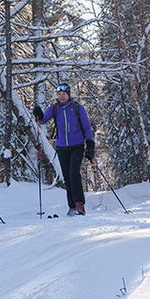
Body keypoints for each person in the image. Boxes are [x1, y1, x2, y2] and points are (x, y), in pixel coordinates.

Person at [32, 83, 95, 216]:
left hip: (77, 145)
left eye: (64, 94)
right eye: (59, 94)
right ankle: (71, 206)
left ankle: (79, 205)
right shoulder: (54, 108)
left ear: (68, 95)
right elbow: (43, 120)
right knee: (67, 176)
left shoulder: (77, 107)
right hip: (61, 146)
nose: (61, 97)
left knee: (74, 174)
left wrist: (90, 145)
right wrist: (38, 114)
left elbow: (87, 127)